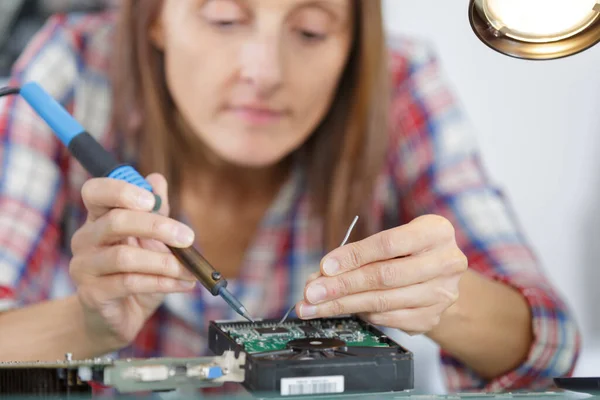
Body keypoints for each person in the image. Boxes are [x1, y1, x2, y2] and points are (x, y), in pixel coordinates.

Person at [0, 0, 581, 394]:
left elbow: (554, 348)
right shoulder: (69, 73)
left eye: (309, 30)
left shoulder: (399, 84)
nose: (264, 71)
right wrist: (88, 323)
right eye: (225, 18)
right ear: (155, 17)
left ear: (355, 38)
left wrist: (446, 301)